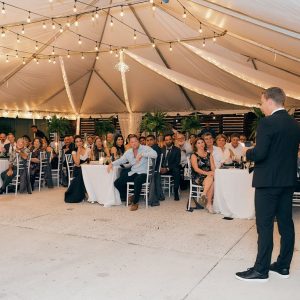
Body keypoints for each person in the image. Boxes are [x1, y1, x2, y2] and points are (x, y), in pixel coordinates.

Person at [235, 87, 300, 282]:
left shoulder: (267, 123)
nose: (261, 107)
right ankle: (283, 266)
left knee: (264, 226)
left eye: (262, 102)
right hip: (287, 182)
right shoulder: (294, 124)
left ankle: (261, 270)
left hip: (267, 183)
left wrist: (247, 152)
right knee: (286, 224)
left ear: (270, 102)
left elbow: (261, 154)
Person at [108, 135, 157, 211]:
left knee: (138, 180)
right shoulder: (128, 152)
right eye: (132, 142)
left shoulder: (145, 148)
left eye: (135, 141)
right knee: (117, 183)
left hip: (144, 173)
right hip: (134, 172)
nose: (134, 143)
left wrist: (142, 154)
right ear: (129, 143)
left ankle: (135, 202)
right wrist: (112, 164)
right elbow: (121, 160)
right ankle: (129, 196)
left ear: (138, 141)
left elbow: (155, 154)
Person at [191, 137, 215, 213]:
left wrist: (214, 172)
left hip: (209, 176)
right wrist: (208, 173)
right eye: (198, 143)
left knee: (212, 179)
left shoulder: (209, 154)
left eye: (202, 142)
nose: (201, 144)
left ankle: (204, 194)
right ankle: (209, 204)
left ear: (204, 144)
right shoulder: (194, 155)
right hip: (198, 176)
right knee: (212, 180)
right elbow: (196, 169)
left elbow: (213, 167)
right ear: (195, 145)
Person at [65, 136, 91, 203]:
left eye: (80, 141)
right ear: (75, 143)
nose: (79, 143)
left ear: (82, 142)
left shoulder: (88, 149)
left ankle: (92, 193)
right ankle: (80, 194)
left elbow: (90, 160)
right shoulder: (74, 151)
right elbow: (77, 163)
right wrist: (78, 152)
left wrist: (89, 157)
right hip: (78, 169)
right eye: (77, 141)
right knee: (81, 174)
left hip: (87, 168)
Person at [160, 134, 181, 200]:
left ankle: (176, 192)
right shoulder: (161, 149)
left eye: (170, 139)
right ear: (164, 141)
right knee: (154, 172)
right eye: (166, 140)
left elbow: (177, 162)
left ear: (172, 140)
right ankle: (159, 193)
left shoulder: (177, 150)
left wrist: (168, 168)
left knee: (177, 170)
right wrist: (160, 168)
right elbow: (158, 160)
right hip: (162, 168)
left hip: (171, 169)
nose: (168, 141)